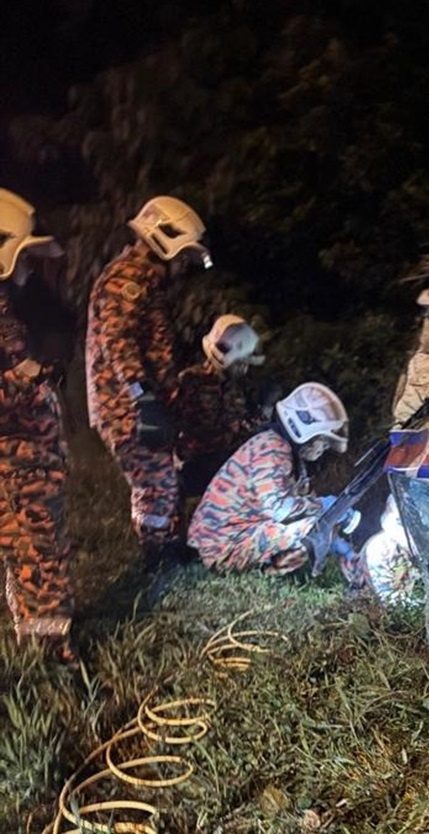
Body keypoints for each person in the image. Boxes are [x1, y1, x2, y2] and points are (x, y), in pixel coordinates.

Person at [85, 195, 212, 570]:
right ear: (165, 239)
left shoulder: (145, 280)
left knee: (162, 477)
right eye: (184, 255)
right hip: (125, 405)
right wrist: (142, 395)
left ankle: (167, 546)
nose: (184, 265)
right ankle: (155, 557)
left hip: (139, 400)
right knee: (155, 483)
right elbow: (117, 340)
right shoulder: (127, 279)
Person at [0, 188, 76, 663]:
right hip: (18, 465)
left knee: (30, 553)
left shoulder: (6, 311)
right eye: (25, 256)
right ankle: (50, 656)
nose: (30, 268)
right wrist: (27, 380)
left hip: (31, 461)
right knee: (39, 554)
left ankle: (36, 637)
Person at [187, 381, 360, 577]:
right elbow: (280, 509)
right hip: (221, 545)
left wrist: (343, 549)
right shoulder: (271, 448)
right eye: (323, 441)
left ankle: (267, 570)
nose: (324, 448)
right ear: (307, 432)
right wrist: (324, 505)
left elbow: (311, 510)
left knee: (316, 524)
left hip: (238, 535)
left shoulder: (289, 458)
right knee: (311, 530)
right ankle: (264, 574)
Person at [174, 314, 268, 500]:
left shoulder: (236, 388)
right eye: (242, 363)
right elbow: (195, 429)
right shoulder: (190, 381)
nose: (244, 369)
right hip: (195, 469)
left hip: (226, 469)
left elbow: (242, 426)